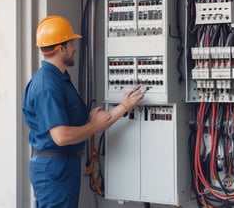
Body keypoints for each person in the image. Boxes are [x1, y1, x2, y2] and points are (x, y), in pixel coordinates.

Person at [22, 15, 144, 208]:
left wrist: (123, 107)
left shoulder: (59, 78)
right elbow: (61, 136)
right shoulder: (47, 85)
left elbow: (77, 124)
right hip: (54, 168)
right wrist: (93, 126)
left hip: (63, 165)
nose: (74, 48)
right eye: (71, 43)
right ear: (60, 48)